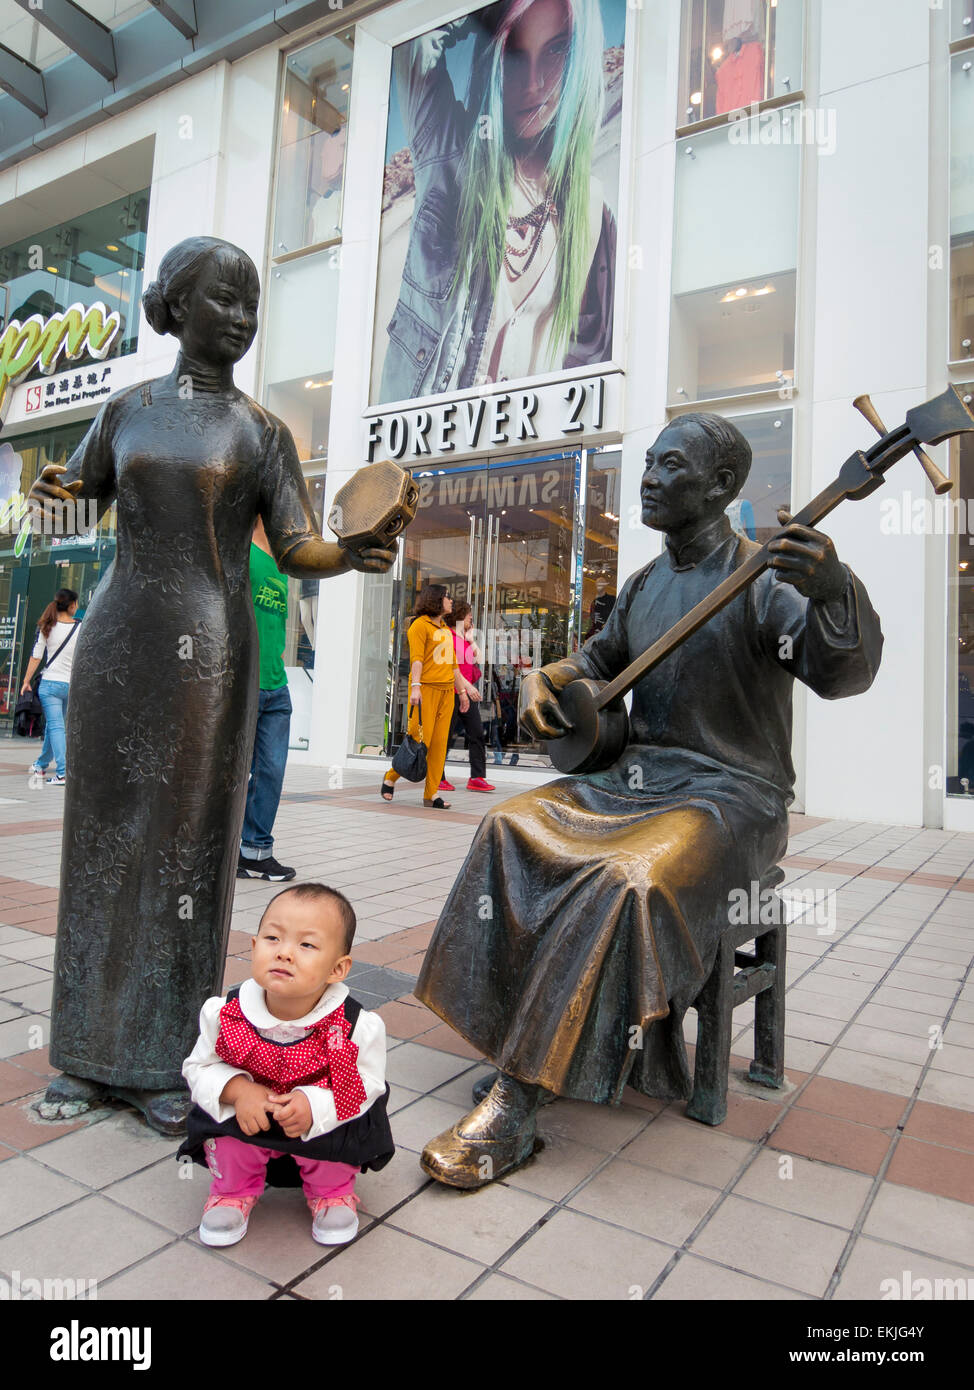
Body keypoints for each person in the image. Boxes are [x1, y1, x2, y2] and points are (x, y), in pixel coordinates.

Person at [415, 412, 884, 1188]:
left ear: (722, 487)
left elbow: (842, 674)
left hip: (732, 796)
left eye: (672, 467)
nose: (651, 478)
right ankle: (519, 1035)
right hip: (633, 781)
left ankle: (519, 1099)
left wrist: (834, 589)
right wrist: (542, 679)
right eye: (650, 463)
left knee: (624, 877)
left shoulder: (764, 579)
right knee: (507, 824)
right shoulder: (644, 584)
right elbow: (590, 663)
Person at [27, 236, 397, 1135]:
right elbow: (80, 495)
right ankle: (83, 1053)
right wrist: (58, 492)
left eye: (250, 304)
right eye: (222, 299)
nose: (239, 317)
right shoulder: (125, 410)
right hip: (121, 642)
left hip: (211, 650)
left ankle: (163, 1061)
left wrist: (348, 554)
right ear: (176, 306)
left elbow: (299, 542)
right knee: (103, 841)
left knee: (187, 845)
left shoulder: (262, 433)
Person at [379, 0, 615, 402]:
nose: (533, 83)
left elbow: (583, 365)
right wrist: (481, 18)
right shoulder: (448, 151)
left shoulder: (589, 205)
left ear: (581, 58)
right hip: (425, 448)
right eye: (515, 54)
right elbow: (414, 42)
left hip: (522, 453)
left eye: (556, 50)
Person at [177, 882, 393, 1248]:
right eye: (273, 938)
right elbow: (197, 1067)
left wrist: (314, 1103)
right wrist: (237, 1090)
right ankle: (232, 1191)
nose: (285, 954)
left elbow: (365, 1084)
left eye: (306, 945)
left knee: (345, 1122)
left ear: (338, 968)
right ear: (254, 946)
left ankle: (332, 1192)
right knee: (220, 1117)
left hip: (316, 1128)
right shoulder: (225, 1013)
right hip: (250, 1121)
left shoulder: (350, 1026)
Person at [237, 516, 296, 883]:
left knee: (271, 773)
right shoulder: (240, 554)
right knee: (230, 774)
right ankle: (221, 850)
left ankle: (256, 852)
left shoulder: (284, 567)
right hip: (244, 683)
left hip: (277, 685)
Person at [381, 584, 470, 809]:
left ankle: (431, 795)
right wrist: (417, 687)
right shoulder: (419, 626)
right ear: (436, 600)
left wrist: (462, 693)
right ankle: (391, 776)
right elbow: (417, 659)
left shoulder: (445, 631)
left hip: (446, 692)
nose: (450, 601)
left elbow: (453, 666)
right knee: (420, 740)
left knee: (439, 745)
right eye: (447, 597)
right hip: (426, 690)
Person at [20, 588, 80, 786]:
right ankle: (41, 764)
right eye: (77, 604)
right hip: (70, 685)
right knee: (55, 727)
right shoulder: (81, 628)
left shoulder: (47, 626)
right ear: (71, 605)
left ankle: (62, 773)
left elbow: (36, 656)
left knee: (55, 727)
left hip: (50, 684)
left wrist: (26, 681)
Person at [442, 602, 495, 792]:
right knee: (445, 736)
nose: (471, 618)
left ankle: (477, 777)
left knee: (477, 734)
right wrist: (468, 687)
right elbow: (451, 668)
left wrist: (471, 639)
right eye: (468, 615)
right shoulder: (447, 635)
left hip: (465, 693)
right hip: (451, 693)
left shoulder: (464, 638)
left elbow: (480, 660)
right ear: (458, 616)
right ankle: (438, 776)